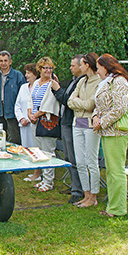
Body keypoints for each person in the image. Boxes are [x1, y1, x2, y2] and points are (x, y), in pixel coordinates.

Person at [92, 54, 128, 218]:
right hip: (107, 131)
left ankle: (118, 209)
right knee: (110, 171)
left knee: (116, 171)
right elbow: (100, 105)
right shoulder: (106, 82)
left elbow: (120, 108)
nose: (96, 70)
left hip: (117, 132)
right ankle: (112, 206)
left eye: (98, 67)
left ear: (106, 66)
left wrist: (102, 122)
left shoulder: (120, 81)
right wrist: (95, 117)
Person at [67, 52, 102, 207]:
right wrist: (81, 102)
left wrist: (78, 102)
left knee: (91, 161)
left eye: (81, 64)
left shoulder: (99, 82)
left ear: (87, 65)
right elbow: (69, 101)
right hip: (77, 123)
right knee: (80, 162)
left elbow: (91, 105)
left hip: (90, 125)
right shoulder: (81, 81)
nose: (79, 67)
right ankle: (86, 194)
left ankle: (93, 196)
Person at [51, 55, 85, 204]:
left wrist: (57, 89)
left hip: (73, 122)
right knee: (68, 156)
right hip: (65, 121)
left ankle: (79, 190)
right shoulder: (74, 81)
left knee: (74, 157)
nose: (70, 68)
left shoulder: (83, 82)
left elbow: (68, 101)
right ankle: (74, 186)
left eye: (73, 66)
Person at [27, 57, 60, 192]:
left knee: (48, 152)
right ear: (39, 69)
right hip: (34, 120)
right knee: (38, 151)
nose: (48, 70)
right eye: (45, 68)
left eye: (50, 68)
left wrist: (36, 115)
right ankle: (42, 179)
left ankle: (49, 181)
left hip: (46, 121)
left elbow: (49, 104)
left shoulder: (52, 84)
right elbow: (31, 100)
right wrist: (30, 113)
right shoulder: (36, 83)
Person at [0, 50, 25, 144]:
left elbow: (24, 96)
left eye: (5, 60)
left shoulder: (17, 76)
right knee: (0, 138)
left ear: (10, 62)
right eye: (1, 61)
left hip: (13, 112)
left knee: (15, 138)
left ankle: (15, 156)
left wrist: (21, 113)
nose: (3, 63)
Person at [14, 63, 41, 182]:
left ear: (35, 74)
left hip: (35, 122)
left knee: (36, 148)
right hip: (24, 123)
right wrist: (21, 118)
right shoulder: (23, 87)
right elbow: (17, 105)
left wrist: (30, 118)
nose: (26, 75)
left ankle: (38, 172)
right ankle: (29, 167)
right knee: (26, 147)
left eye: (28, 73)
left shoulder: (40, 87)